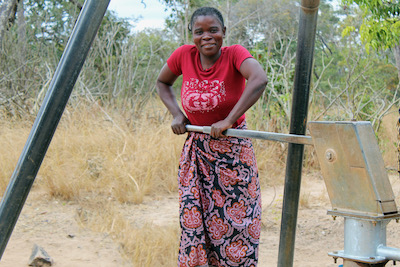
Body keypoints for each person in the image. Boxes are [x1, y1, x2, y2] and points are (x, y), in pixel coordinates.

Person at [156, 6, 268, 267]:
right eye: (199, 32)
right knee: (197, 223)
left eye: (213, 30)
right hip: (197, 154)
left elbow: (259, 79)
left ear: (224, 33)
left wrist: (229, 119)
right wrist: (177, 114)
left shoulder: (234, 55)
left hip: (233, 155)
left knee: (237, 223)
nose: (206, 36)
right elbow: (162, 82)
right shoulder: (184, 56)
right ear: (192, 35)